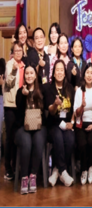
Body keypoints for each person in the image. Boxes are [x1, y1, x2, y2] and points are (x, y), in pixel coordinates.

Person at [14, 65, 47, 194]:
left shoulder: (41, 91)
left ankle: (33, 175)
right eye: (26, 73)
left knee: (38, 141)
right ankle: (24, 176)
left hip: (39, 126)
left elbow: (45, 111)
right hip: (23, 127)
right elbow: (19, 113)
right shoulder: (19, 92)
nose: (29, 75)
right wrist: (23, 97)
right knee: (27, 143)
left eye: (31, 73)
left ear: (35, 75)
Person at [43, 60, 75, 187]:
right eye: (57, 70)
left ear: (64, 72)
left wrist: (72, 122)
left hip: (66, 125)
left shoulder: (70, 89)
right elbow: (50, 111)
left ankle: (57, 170)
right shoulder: (49, 89)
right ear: (54, 73)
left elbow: (74, 109)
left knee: (70, 139)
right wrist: (55, 105)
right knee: (58, 137)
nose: (60, 72)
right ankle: (63, 171)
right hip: (53, 125)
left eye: (62, 69)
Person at [74, 63, 92, 185]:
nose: (89, 75)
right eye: (87, 73)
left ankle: (90, 167)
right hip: (80, 123)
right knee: (82, 144)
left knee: (91, 142)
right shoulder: (79, 91)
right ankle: (84, 170)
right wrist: (82, 106)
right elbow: (76, 113)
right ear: (84, 75)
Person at [3, 42, 25, 180]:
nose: (18, 52)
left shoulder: (24, 65)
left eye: (20, 50)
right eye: (16, 50)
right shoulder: (10, 64)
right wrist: (14, 70)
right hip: (10, 105)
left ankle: (17, 166)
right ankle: (8, 168)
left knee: (18, 136)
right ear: (13, 52)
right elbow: (9, 83)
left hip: (20, 106)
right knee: (10, 137)